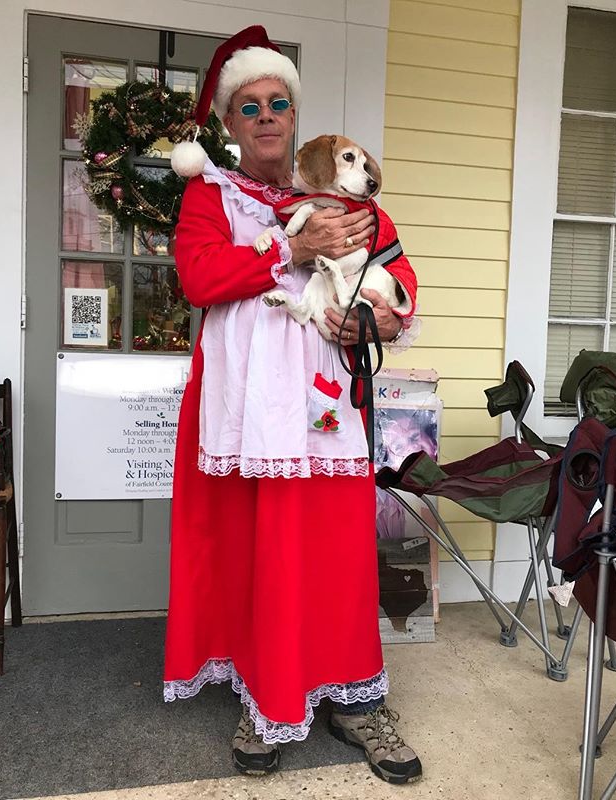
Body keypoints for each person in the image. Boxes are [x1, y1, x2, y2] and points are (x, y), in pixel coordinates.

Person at [163, 25, 422, 785]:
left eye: (279, 102)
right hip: (245, 414)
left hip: (325, 401)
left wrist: (373, 317)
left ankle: (356, 702)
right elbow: (201, 280)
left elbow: (396, 274)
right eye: (251, 106)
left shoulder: (340, 193)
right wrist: (292, 252)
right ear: (230, 123)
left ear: (294, 114)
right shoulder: (210, 196)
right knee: (259, 554)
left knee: (339, 554)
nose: (268, 115)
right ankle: (266, 697)